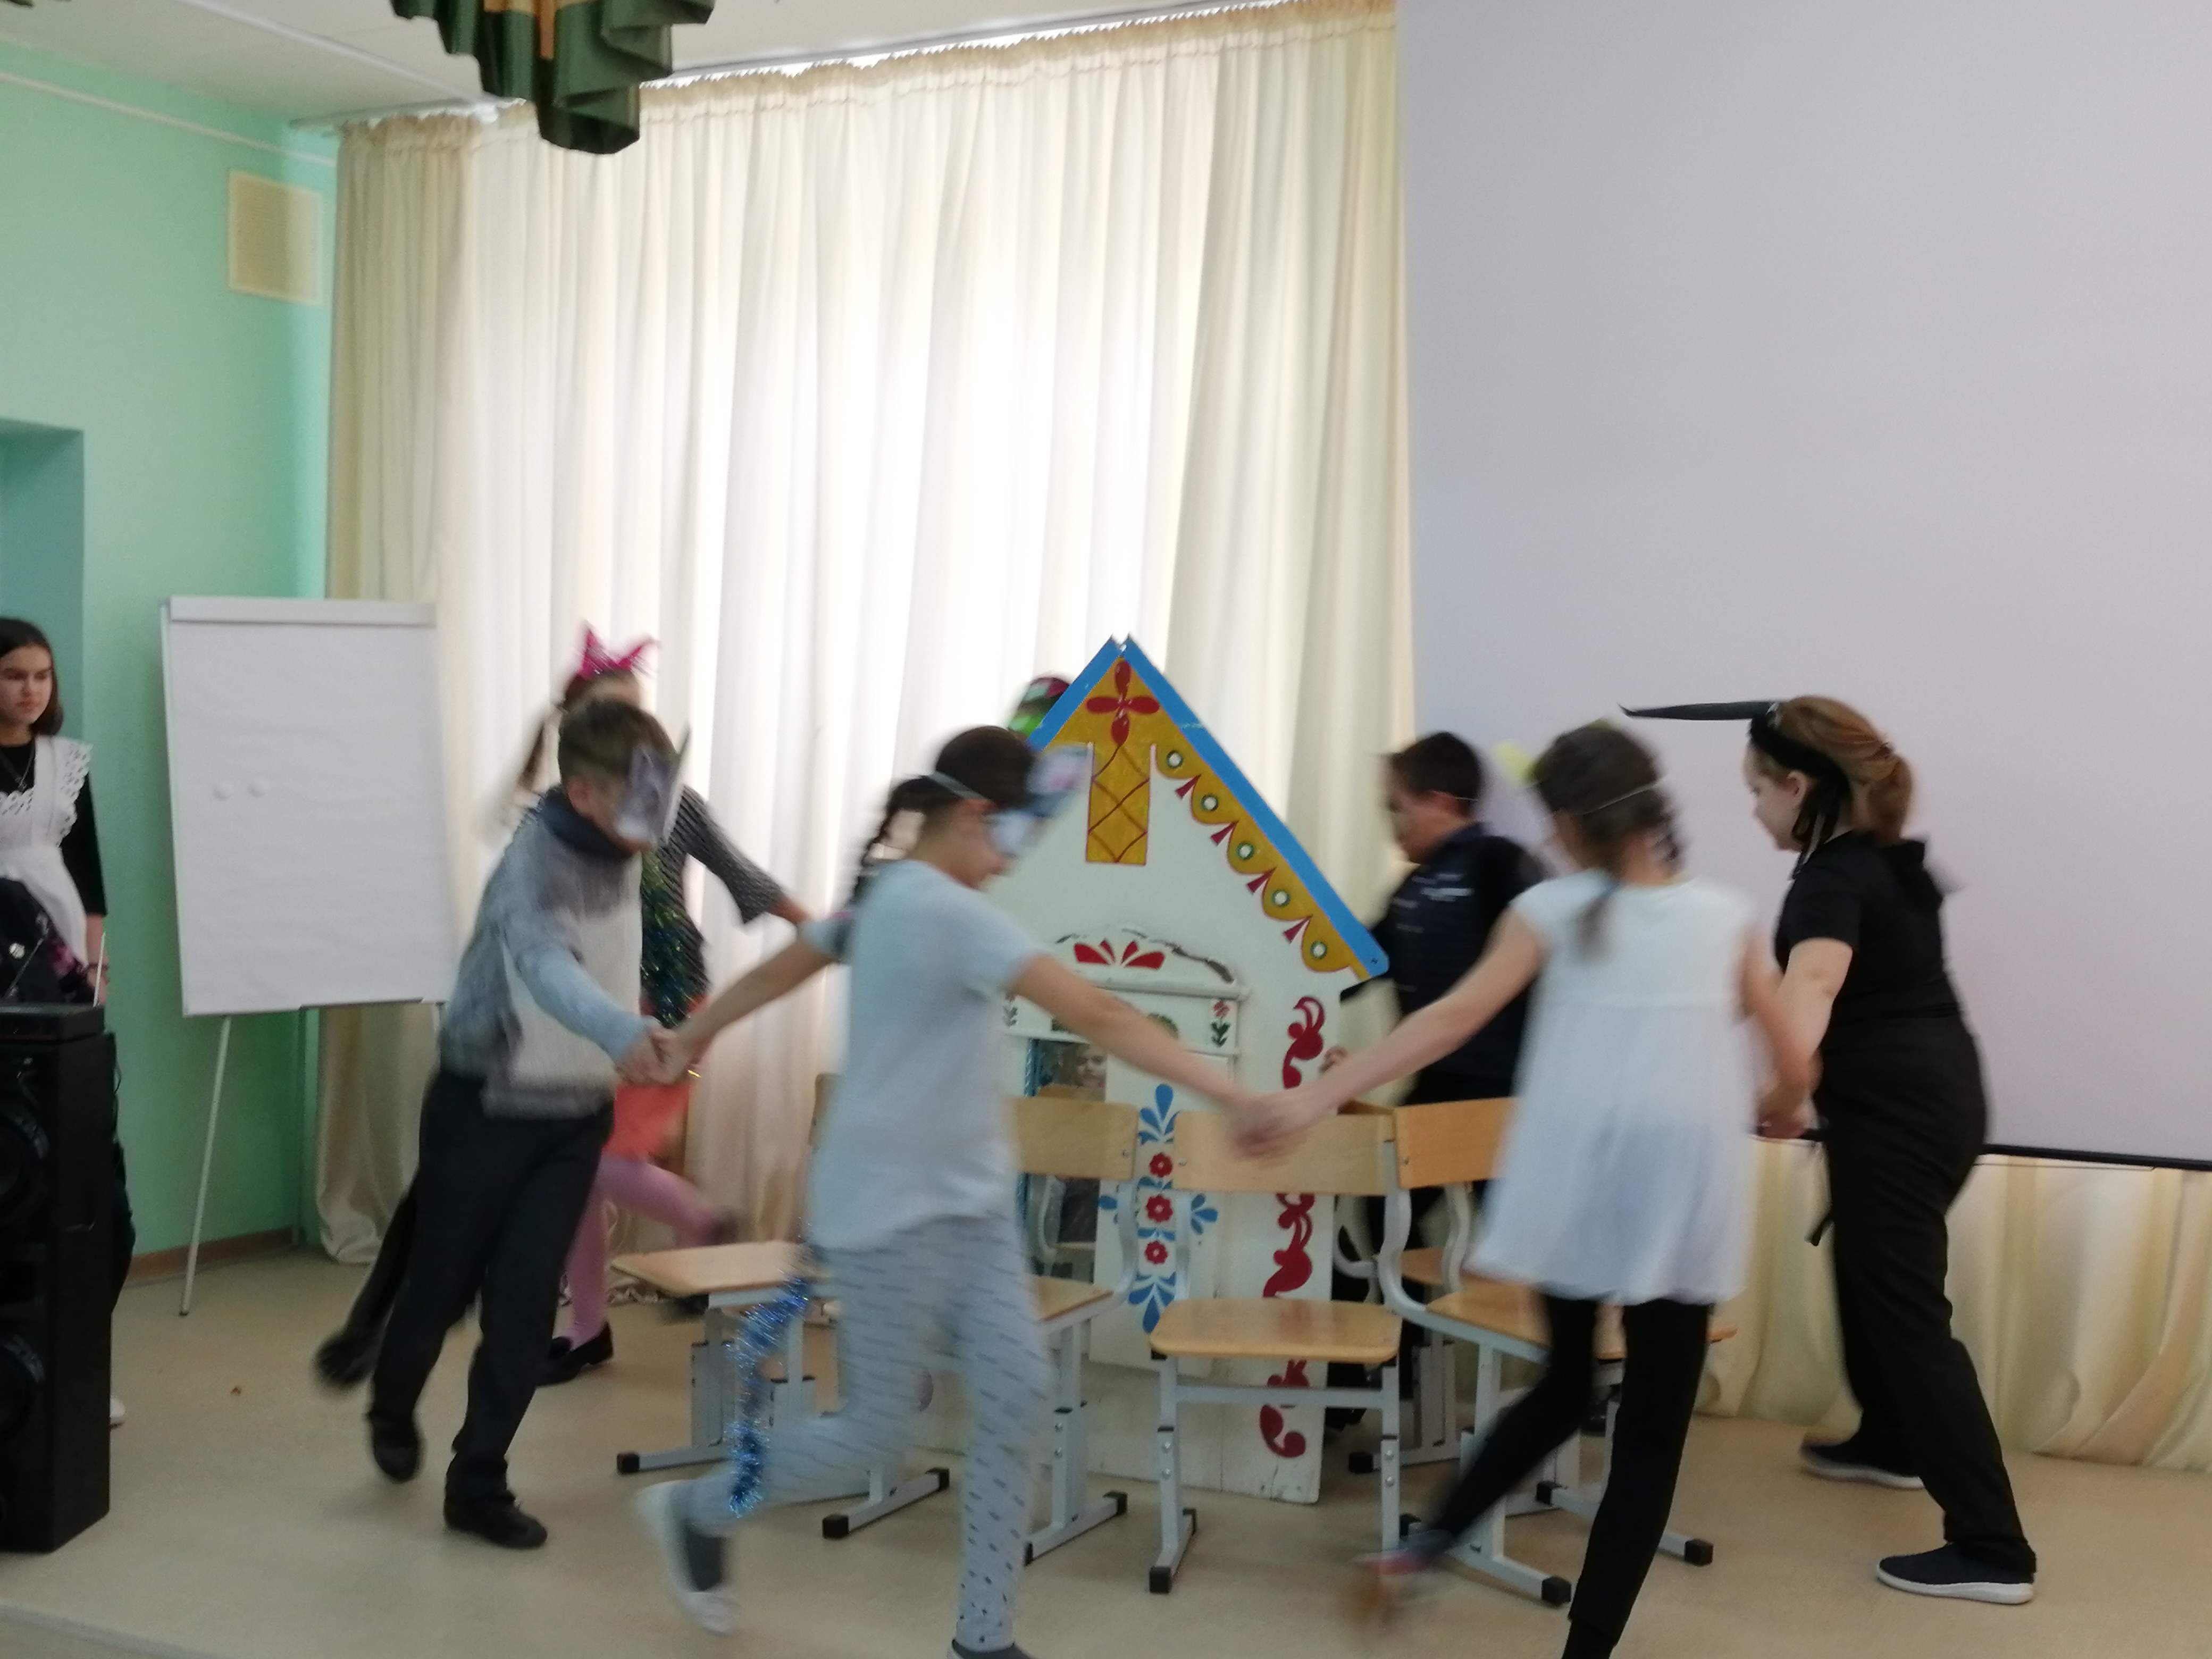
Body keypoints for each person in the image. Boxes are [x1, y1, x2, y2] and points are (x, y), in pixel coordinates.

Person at [633, 726, 1259, 1655]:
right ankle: (700, 1508)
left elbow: (782, 966)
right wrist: (1237, 1096)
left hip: (972, 1206)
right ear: (974, 814)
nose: (1008, 865)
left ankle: (983, 1639)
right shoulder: (940, 911)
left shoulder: (888, 898)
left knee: (1017, 1392)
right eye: (1013, 840)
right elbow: (1099, 1012)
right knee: (875, 1434)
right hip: (886, 1213)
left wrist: (694, 1035)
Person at [1247, 724, 1810, 1659]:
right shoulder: (1724, 917)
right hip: (1680, 1184)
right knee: (1650, 1431)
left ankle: (1425, 1544)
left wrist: (1311, 1098)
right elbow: (1796, 1060)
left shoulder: (1547, 911)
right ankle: (1587, 1649)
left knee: (1562, 1382)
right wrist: (1783, 1106)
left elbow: (1450, 1019)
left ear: (1568, 826)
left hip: (1575, 1176)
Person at [1629, 696, 2037, 1604]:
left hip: (1897, 1116)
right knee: (1867, 1271)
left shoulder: (1831, 881)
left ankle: (1993, 1548)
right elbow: (1792, 987)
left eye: (1755, 791)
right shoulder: (1876, 863)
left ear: (1796, 785)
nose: (1752, 810)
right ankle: (1892, 1441)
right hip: (1934, 1098)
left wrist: (1785, 1090)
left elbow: (1813, 983)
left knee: (1906, 1313)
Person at [365, 698, 681, 1550]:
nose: (657, 822)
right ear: (583, 794)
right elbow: (548, 967)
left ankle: (477, 1484)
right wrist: (620, 1030)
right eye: (641, 803)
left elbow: (612, 957)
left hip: (576, 1114)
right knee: (440, 1287)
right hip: (486, 1104)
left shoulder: (624, 843)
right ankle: (391, 1402)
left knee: (524, 1304)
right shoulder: (533, 866)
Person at [534, 638, 810, 1385]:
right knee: (577, 1174)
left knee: (594, 1158)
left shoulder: (677, 806)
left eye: (638, 719)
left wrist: (817, 930)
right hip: (586, 1009)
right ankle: (587, 1327)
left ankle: (700, 1220)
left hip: (671, 1006)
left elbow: (745, 877)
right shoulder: (557, 818)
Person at [1325, 734, 1543, 1413]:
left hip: (1508, 1098)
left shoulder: (1499, 863)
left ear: (1441, 802)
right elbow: (1355, 963)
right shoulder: (1410, 889)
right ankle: (1405, 1358)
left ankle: (1570, 1376)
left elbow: (1548, 957)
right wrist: (1295, 989)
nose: (1392, 826)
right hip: (1436, 1089)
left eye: (1397, 807)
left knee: (1526, 1241)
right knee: (1378, 1210)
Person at [0, 618, 128, 1427]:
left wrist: (95, 972)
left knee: (85, 1183)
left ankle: (72, 1362)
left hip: (61, 979)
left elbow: (88, 878)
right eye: (14, 674)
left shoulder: (63, 763)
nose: (30, 689)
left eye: (41, 676)